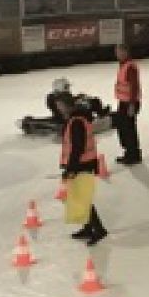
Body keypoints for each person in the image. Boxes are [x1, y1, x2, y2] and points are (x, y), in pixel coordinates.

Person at [57, 93, 108, 245]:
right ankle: (88, 227)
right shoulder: (76, 119)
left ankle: (99, 230)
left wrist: (71, 168)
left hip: (82, 164)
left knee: (83, 198)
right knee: (80, 197)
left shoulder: (76, 122)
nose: (58, 108)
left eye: (60, 105)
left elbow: (77, 148)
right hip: (83, 163)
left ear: (67, 105)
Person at [112, 42, 143, 166]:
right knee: (123, 128)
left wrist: (131, 104)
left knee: (129, 129)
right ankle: (129, 152)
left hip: (129, 103)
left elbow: (134, 87)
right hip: (123, 102)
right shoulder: (123, 65)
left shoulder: (130, 67)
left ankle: (133, 154)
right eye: (116, 52)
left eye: (118, 51)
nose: (116, 54)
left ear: (125, 52)